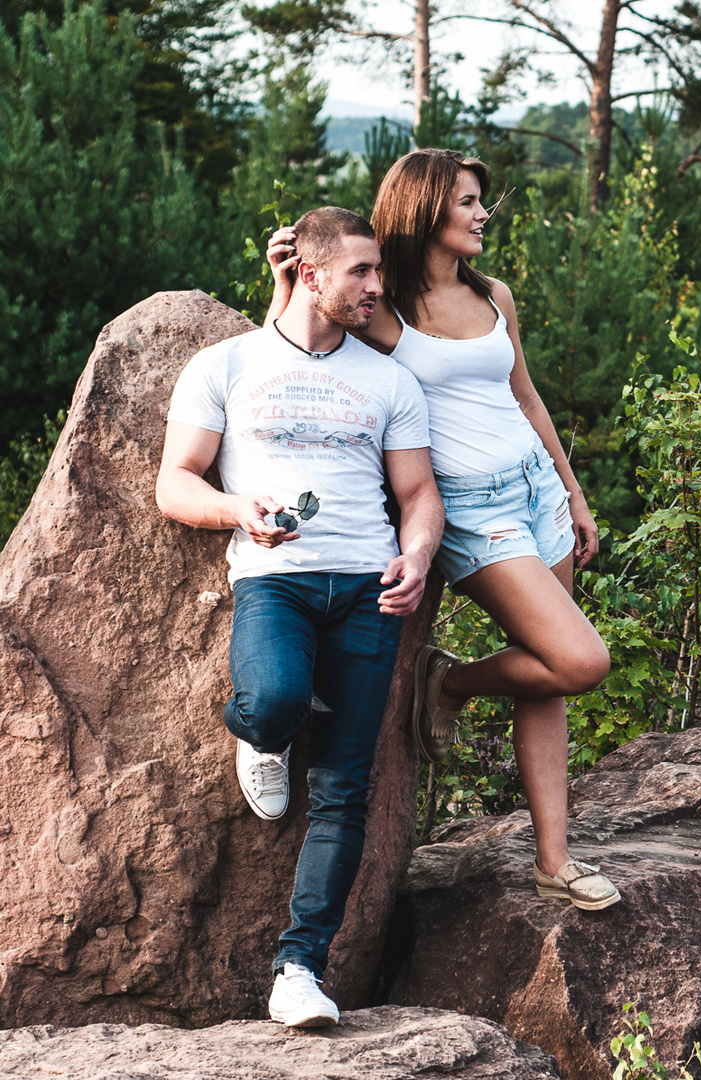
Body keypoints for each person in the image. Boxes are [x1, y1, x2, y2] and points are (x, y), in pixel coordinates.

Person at [264, 149, 619, 912]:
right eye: (466, 202)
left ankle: (553, 862)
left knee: (547, 678)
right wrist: (285, 282)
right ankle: (448, 681)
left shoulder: (495, 295)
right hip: (475, 512)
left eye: (479, 201)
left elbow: (526, 396)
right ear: (426, 209)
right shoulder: (385, 314)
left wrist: (571, 490)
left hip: (535, 491)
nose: (482, 214)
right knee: (580, 659)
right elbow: (293, 352)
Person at [156, 207, 443, 1027]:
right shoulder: (225, 364)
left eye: (378, 271)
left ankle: (299, 970)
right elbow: (174, 481)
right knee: (277, 699)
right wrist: (238, 509)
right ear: (309, 274)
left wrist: (417, 558)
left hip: (367, 589)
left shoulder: (389, 378)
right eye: (360, 271)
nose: (376, 287)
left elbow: (419, 494)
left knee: (344, 789)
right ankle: (261, 730)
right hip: (275, 579)